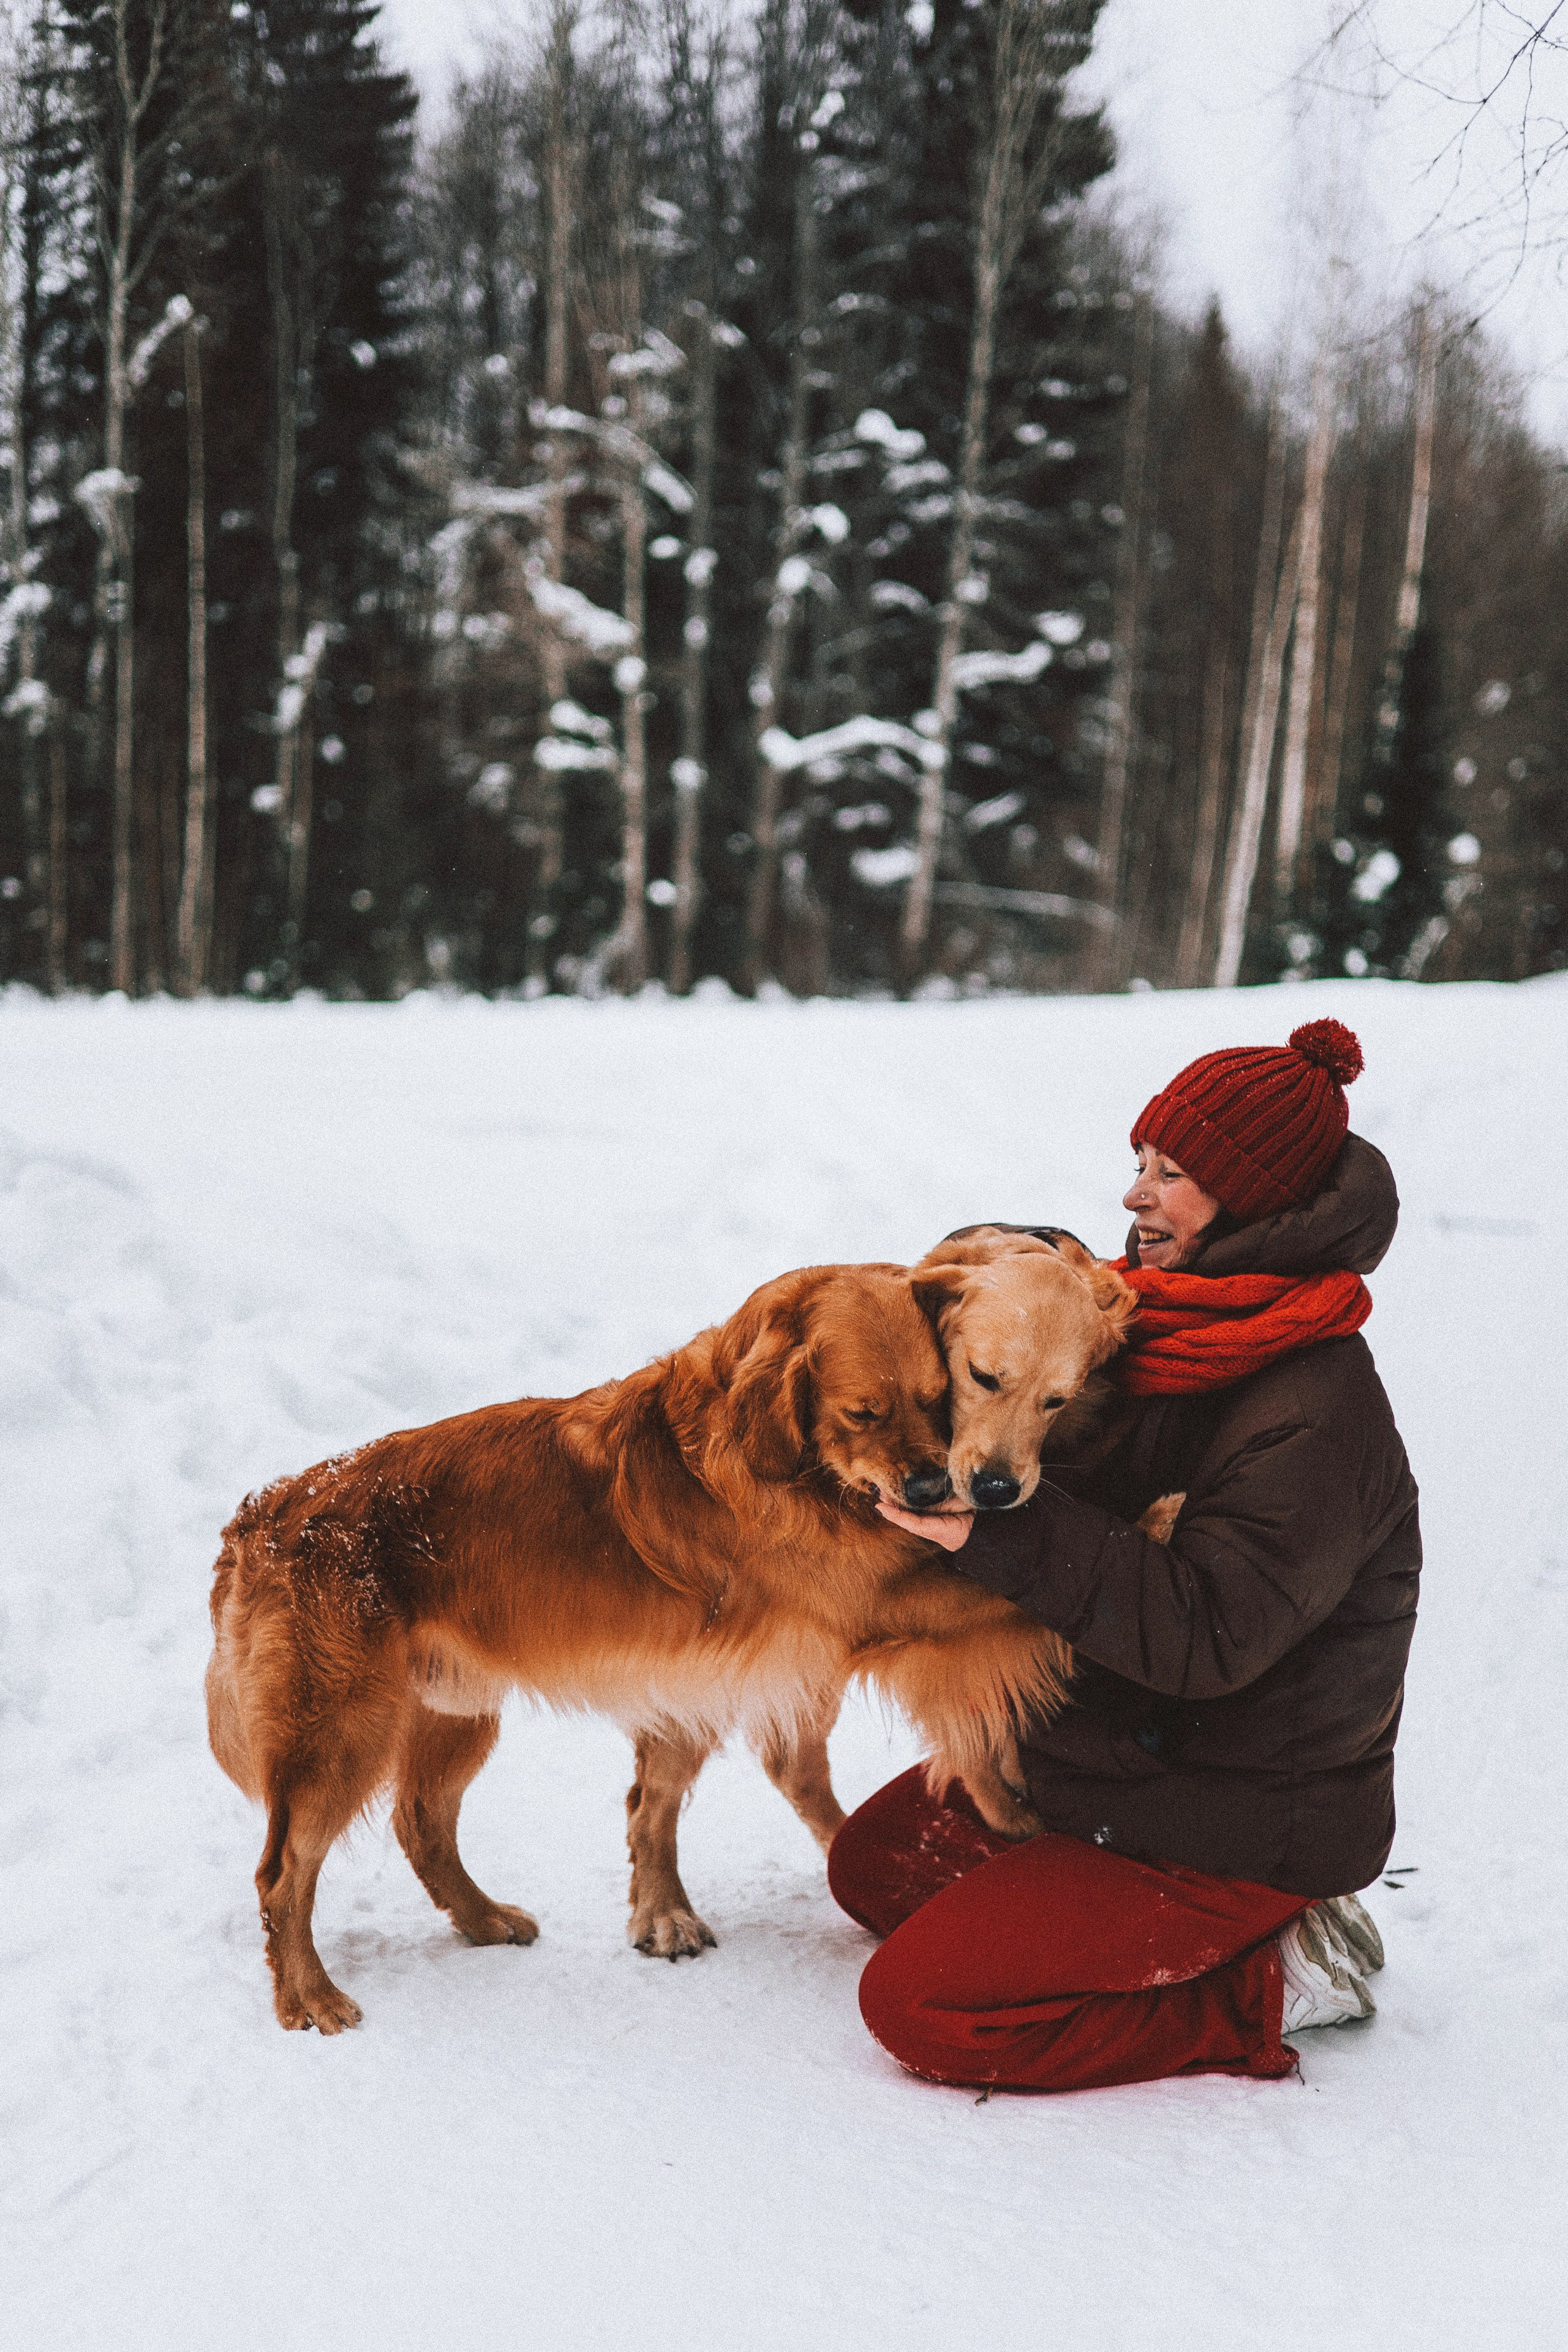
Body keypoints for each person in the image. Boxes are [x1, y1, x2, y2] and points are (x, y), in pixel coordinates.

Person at [833, 1018, 1420, 2094]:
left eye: (1174, 1175)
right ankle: (1120, 1909)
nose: (1135, 1196)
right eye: (1141, 1162)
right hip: (1115, 1763)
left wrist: (998, 1528)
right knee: (874, 1868)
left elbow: (1207, 1638)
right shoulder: (1158, 1321)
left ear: (1256, 1200)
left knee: (925, 2008)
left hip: (1237, 1820)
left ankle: (1281, 1974)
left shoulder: (1318, 1408)